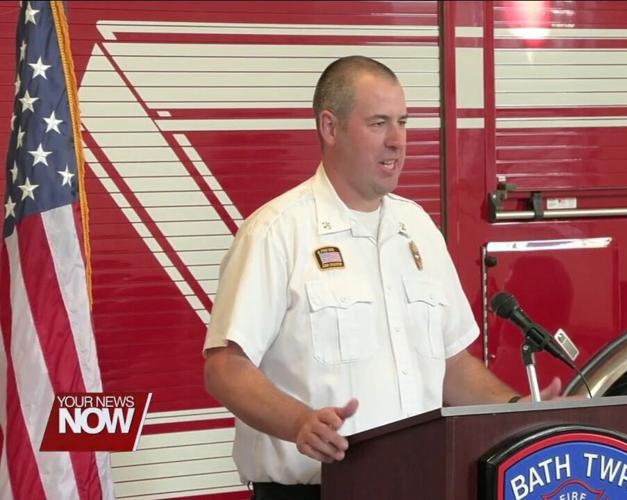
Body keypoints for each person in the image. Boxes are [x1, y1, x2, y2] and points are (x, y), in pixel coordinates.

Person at [202, 55, 560, 500]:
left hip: (420, 487)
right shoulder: (277, 232)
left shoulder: (418, 229)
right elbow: (225, 367)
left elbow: (450, 364)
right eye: (378, 124)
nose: (397, 141)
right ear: (330, 128)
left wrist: (515, 411)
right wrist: (299, 423)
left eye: (403, 122)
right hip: (318, 491)